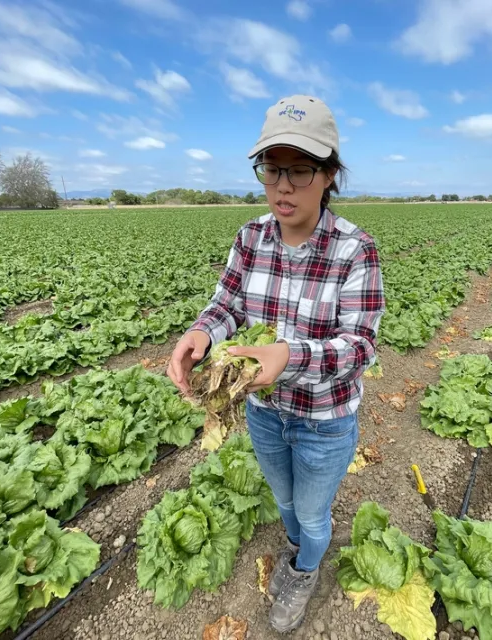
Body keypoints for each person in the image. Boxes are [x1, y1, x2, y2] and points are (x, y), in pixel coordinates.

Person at [167, 95, 385, 633]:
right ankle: (296, 542)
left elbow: (360, 345)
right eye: (271, 168)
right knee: (284, 500)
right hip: (264, 412)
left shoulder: (355, 250)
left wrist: (289, 356)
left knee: (312, 513)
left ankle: (306, 567)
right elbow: (229, 304)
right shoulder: (250, 236)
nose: (283, 186)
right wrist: (200, 332)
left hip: (325, 422)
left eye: (301, 169)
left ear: (330, 173)